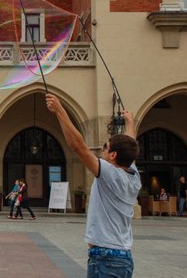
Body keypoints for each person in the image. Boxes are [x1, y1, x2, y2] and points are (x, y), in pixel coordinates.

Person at [46, 93, 140, 278]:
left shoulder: (110, 173)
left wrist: (59, 110)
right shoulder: (133, 174)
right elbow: (130, 145)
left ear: (113, 155)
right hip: (120, 257)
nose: (102, 150)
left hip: (107, 259)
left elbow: (79, 147)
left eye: (105, 147)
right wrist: (129, 122)